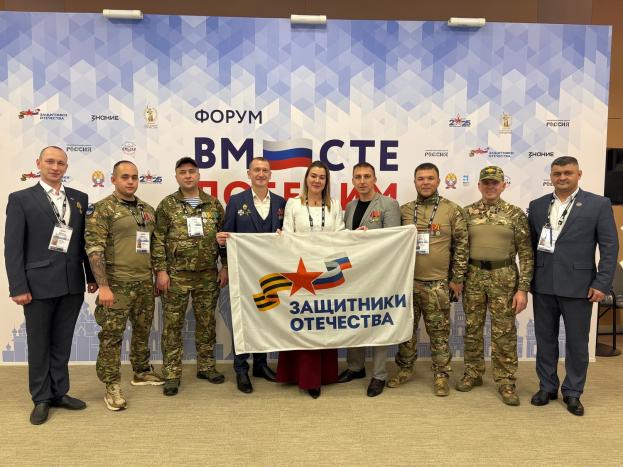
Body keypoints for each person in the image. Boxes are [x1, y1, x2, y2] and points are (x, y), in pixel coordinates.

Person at [4, 146, 96, 425]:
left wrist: (91, 276)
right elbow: (13, 247)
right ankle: (41, 398)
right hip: (37, 285)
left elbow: (82, 242)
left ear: (66, 166)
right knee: (39, 344)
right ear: (39, 163)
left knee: (62, 342)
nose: (55, 167)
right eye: (50, 162)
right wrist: (18, 286)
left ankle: (59, 392)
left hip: (71, 283)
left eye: (61, 163)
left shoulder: (79, 198)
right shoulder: (21, 199)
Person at [528, 156, 618, 416]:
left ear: (579, 174)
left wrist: (602, 283)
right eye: (557, 173)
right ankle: (547, 387)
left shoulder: (598, 204)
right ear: (551, 177)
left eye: (568, 172)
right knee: (545, 340)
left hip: (581, 286)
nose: (562, 177)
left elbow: (610, 247)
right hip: (543, 285)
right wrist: (529, 280)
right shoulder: (537, 205)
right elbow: (530, 247)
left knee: (577, 344)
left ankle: (573, 392)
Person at [85, 160, 163, 411]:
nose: (130, 181)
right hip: (116, 284)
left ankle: (141, 371)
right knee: (112, 336)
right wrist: (103, 286)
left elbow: (154, 245)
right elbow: (94, 249)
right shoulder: (102, 209)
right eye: (125, 177)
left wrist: (157, 274)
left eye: (134, 177)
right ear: (113, 179)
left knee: (142, 331)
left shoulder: (147, 209)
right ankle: (111, 384)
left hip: (144, 282)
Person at [386, 162, 468, 396]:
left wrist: (457, 278)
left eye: (430, 178)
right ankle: (405, 369)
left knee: (439, 334)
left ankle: (441, 375)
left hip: (438, 284)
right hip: (407, 283)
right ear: (414, 182)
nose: (425, 183)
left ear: (438, 181)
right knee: (406, 331)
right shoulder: (403, 210)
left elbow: (462, 246)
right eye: (421, 178)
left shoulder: (452, 210)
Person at [457, 166, 533, 406]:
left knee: (504, 332)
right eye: (486, 182)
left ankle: (506, 380)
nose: (490, 187)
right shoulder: (466, 213)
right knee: (472, 328)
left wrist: (523, 289)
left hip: (504, 277)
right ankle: (473, 372)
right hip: (473, 276)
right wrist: (457, 278)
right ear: (479, 185)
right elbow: (459, 249)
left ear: (503, 185)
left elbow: (526, 254)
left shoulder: (515, 214)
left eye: (495, 183)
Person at [152, 157, 228, 396]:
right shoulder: (167, 205)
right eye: (183, 172)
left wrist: (225, 267)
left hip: (207, 274)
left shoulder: (213, 204)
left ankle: (206, 367)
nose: (188, 176)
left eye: (192, 172)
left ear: (198, 175)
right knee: (172, 326)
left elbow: (224, 239)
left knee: (206, 323)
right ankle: (172, 374)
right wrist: (161, 271)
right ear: (176, 176)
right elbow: (158, 240)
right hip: (176, 275)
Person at [216, 157, 285, 394]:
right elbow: (226, 236)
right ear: (249, 173)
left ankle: (261, 364)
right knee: (242, 320)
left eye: (265, 170)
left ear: (270, 175)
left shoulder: (281, 202)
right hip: (243, 273)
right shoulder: (236, 201)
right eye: (256, 170)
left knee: (264, 316)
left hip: (270, 272)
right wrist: (223, 251)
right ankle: (241, 368)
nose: (261, 174)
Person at [277, 160, 345, 398]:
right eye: (313, 176)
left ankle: (324, 375)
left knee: (323, 324)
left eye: (322, 177)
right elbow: (288, 233)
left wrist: (358, 237)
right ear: (306, 178)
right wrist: (281, 237)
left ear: (327, 181)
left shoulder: (334, 205)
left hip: (326, 274)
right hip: (301, 273)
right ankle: (304, 377)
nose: (317, 180)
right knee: (304, 323)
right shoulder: (293, 203)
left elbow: (340, 235)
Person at [337, 162, 401, 397]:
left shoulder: (388, 204)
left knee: (377, 323)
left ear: (374, 179)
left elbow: (392, 241)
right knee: (354, 319)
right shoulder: (350, 206)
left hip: (380, 274)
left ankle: (379, 374)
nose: (362, 181)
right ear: (353, 181)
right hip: (355, 275)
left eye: (367, 176)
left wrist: (369, 239)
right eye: (358, 177)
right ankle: (356, 367)